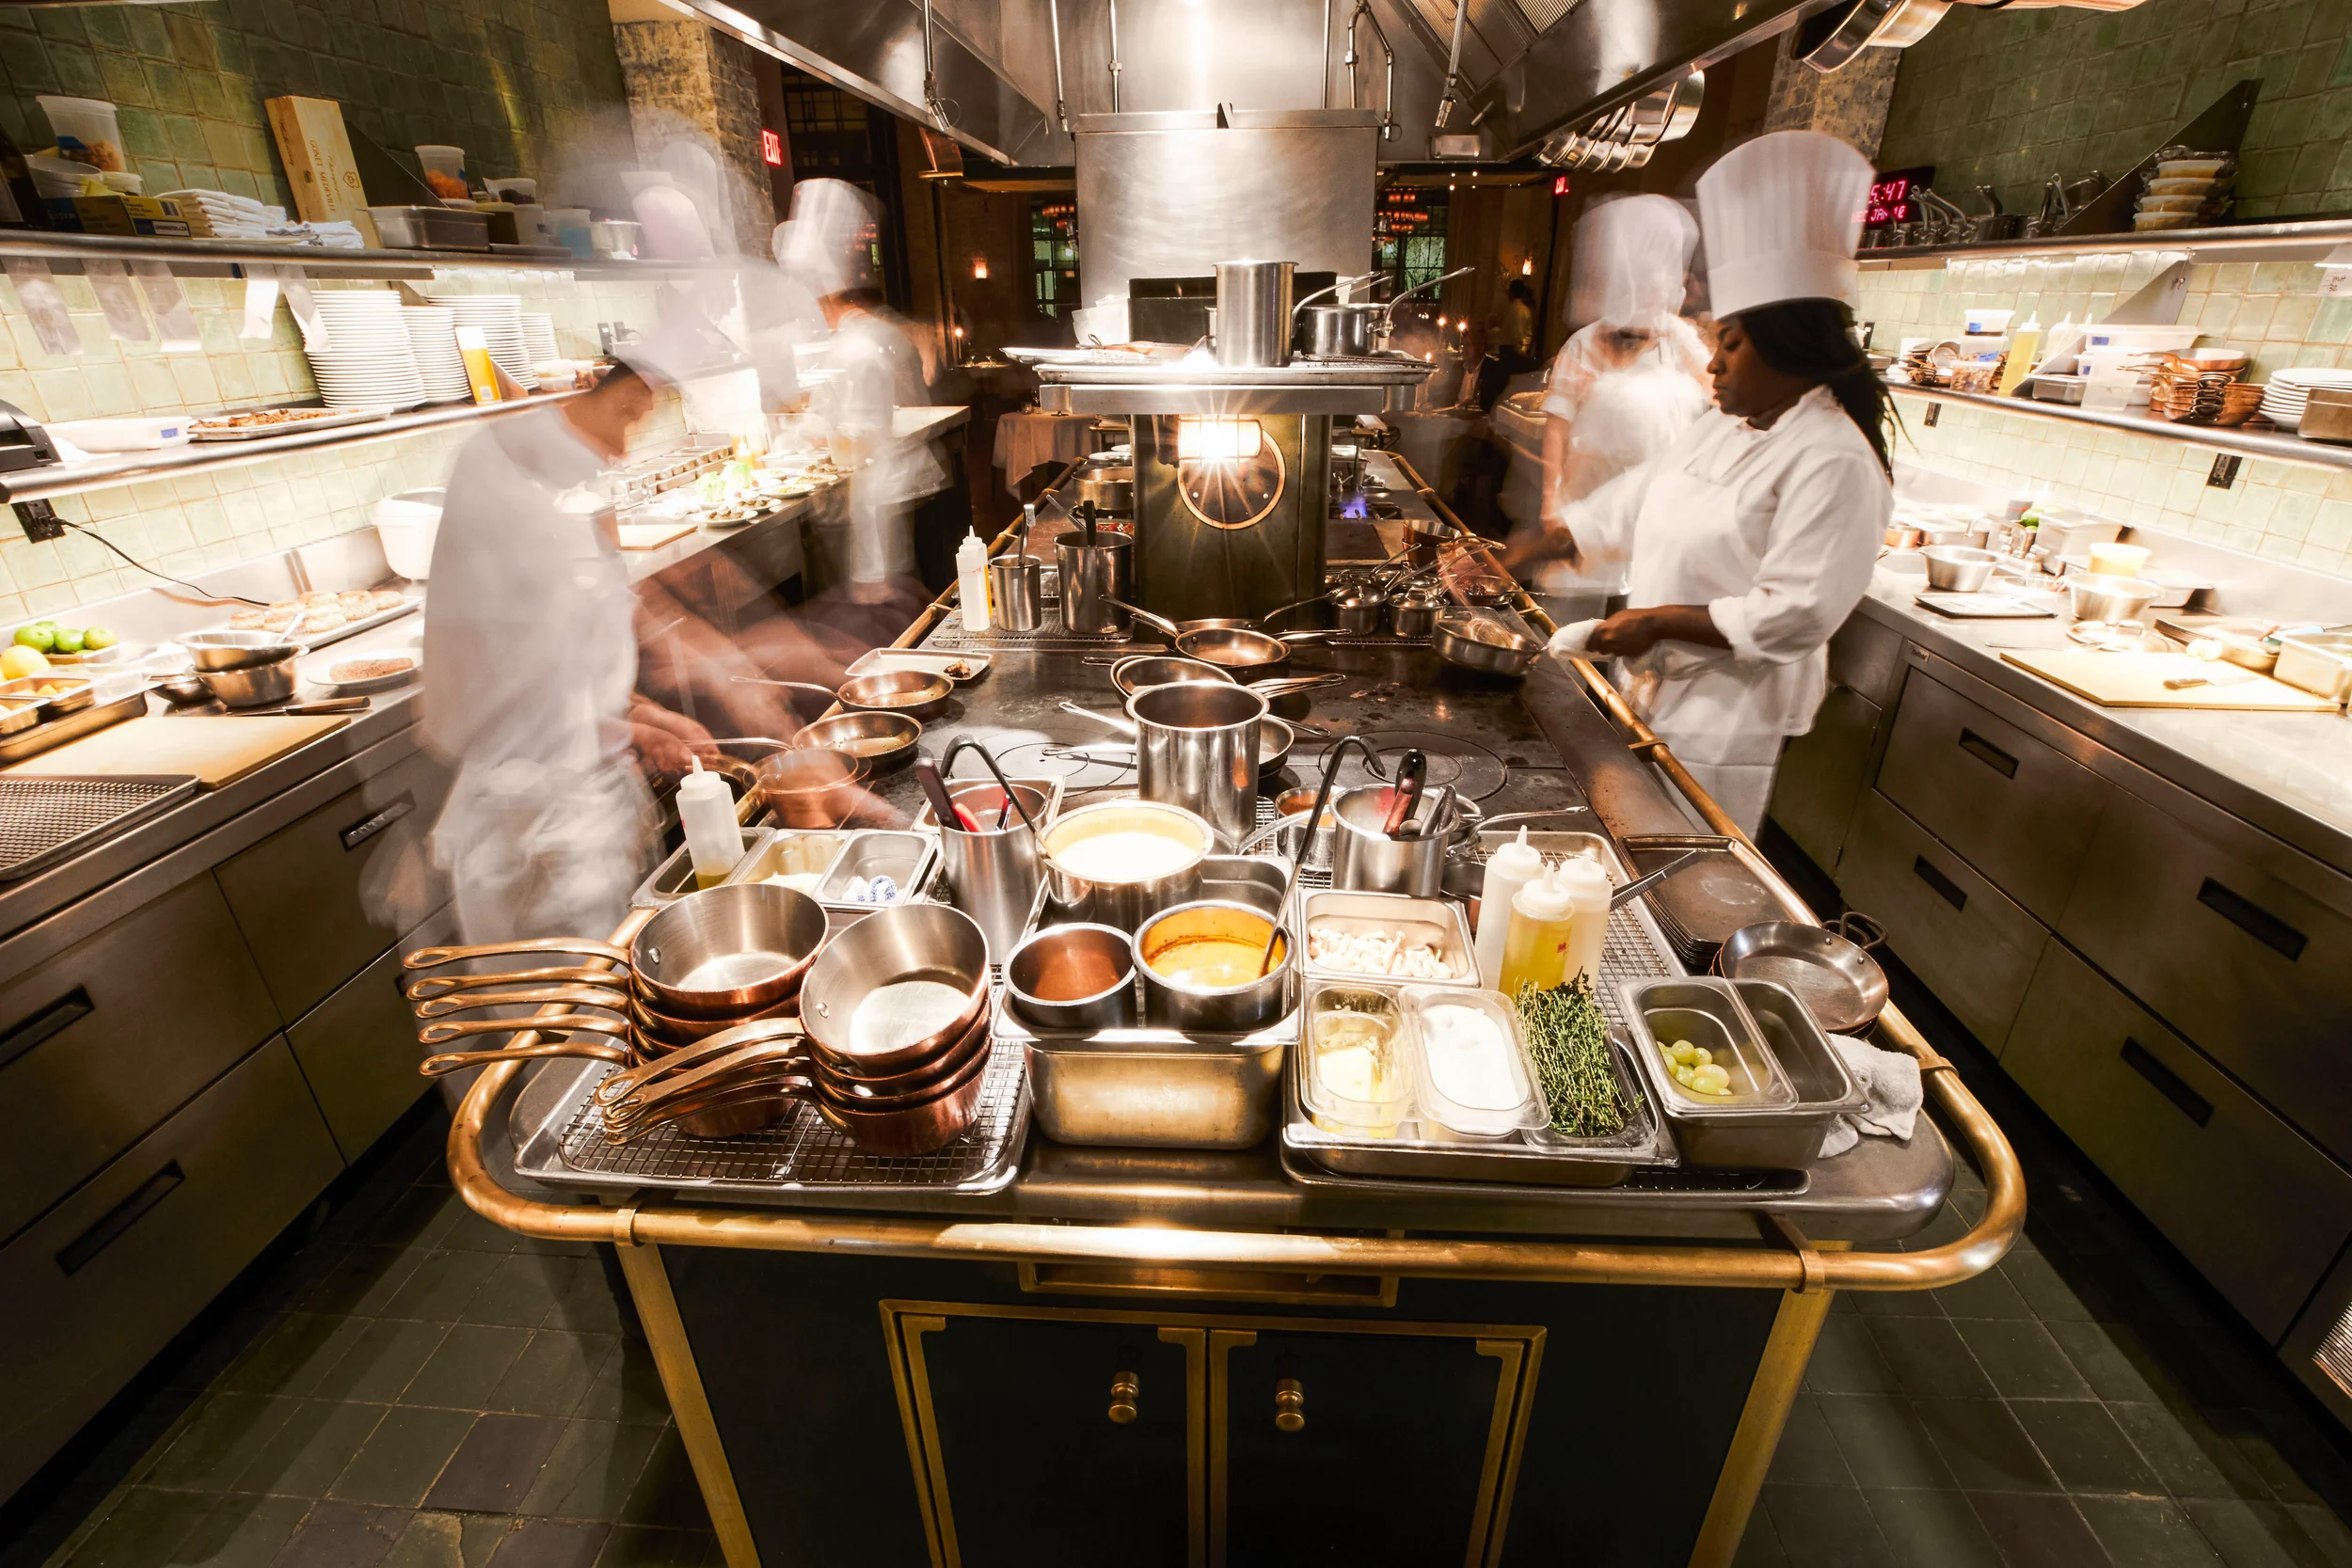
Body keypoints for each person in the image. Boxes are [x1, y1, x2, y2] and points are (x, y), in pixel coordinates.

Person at [1541, 132, 1894, 836]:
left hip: (1730, 714)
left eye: (1730, 343)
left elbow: (1793, 614)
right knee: (1630, 835)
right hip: (1655, 689)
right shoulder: (1732, 421)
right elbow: (1647, 489)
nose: (1716, 363)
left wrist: (1660, 620)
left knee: (1688, 860)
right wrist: (1553, 534)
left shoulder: (1835, 458)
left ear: (1790, 346)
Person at [422, 357, 700, 943]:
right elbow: (525, 695)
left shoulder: (557, 493)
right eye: (624, 415)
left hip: (575, 813)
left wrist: (641, 723)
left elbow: (570, 669)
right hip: (534, 834)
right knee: (572, 1013)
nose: (623, 449)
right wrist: (641, 721)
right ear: (567, 402)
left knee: (620, 977)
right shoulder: (511, 501)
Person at [1508, 196, 1713, 594]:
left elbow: (1719, 396)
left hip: (1658, 519)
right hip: (1589, 503)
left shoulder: (1681, 340)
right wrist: (1551, 502)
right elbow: (1557, 424)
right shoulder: (1586, 344)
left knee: (1639, 617)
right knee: (1576, 624)